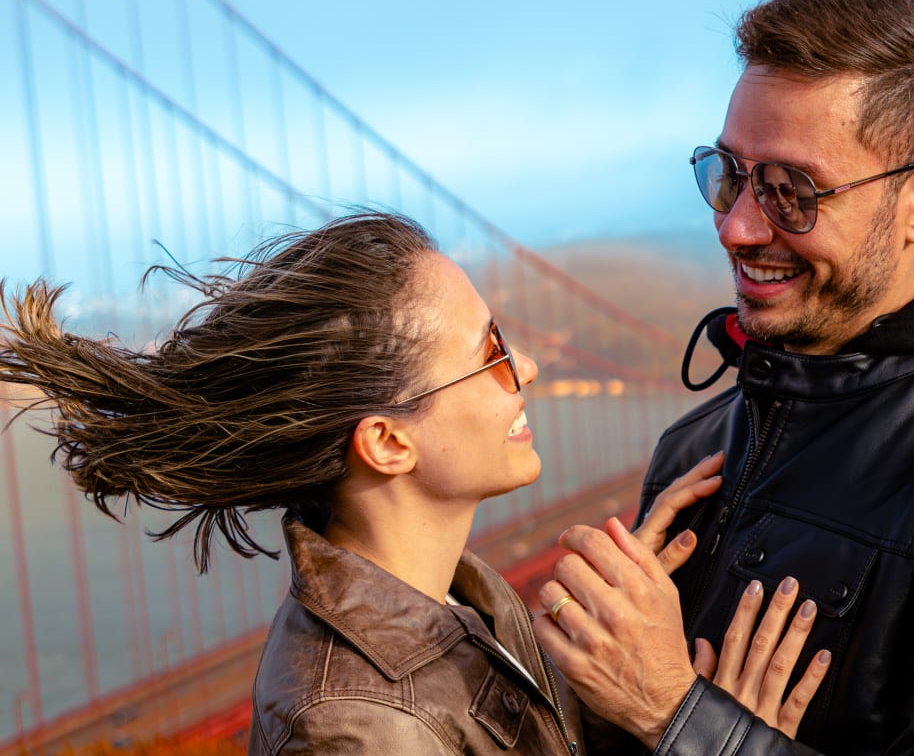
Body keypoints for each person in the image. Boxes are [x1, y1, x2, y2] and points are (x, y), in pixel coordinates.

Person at [0, 212, 827, 754]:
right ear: (389, 442)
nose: (527, 368)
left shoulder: (473, 601)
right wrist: (707, 738)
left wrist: (626, 694)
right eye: (491, 355)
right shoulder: (355, 731)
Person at [534, 0, 914, 756]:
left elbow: (664, 711)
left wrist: (676, 714)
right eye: (731, 175)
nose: (737, 228)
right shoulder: (693, 450)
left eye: (792, 192)